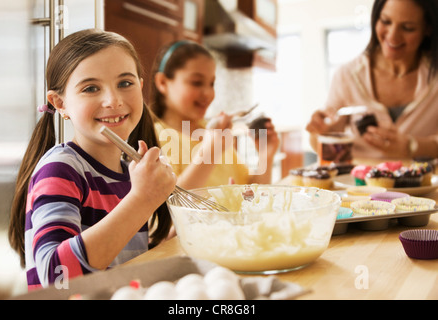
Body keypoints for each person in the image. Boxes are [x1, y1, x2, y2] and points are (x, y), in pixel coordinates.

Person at [8, 29, 177, 290]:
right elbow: (57, 278)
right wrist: (142, 201)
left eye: (125, 83)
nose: (113, 100)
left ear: (141, 87)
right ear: (60, 103)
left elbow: (117, 263)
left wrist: (163, 242)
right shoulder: (61, 169)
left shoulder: (128, 173)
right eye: (90, 88)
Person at [306, 0, 438, 161]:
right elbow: (325, 147)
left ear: (428, 29)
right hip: (359, 184)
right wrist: (321, 132)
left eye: (407, 28)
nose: (393, 36)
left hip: (427, 184)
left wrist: (413, 146)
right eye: (385, 21)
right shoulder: (347, 75)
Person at [149, 40, 280, 189]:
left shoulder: (214, 133)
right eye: (196, 82)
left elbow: (249, 193)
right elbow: (171, 200)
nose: (208, 93)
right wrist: (212, 150)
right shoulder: (154, 137)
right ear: (162, 82)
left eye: (211, 84)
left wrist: (265, 156)